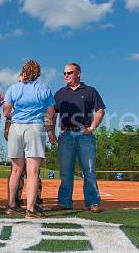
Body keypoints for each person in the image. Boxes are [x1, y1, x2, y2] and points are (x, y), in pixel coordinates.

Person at [3, 60, 56, 219]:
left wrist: (15, 116)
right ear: (38, 73)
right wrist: (47, 127)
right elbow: (51, 111)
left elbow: (6, 112)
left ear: (23, 72)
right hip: (34, 127)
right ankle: (31, 209)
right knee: (32, 171)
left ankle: (11, 205)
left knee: (16, 170)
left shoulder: (13, 88)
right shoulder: (43, 89)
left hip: (16, 127)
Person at [52, 62, 105, 213]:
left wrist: (92, 127)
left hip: (85, 136)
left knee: (88, 170)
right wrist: (51, 133)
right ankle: (64, 202)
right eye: (64, 73)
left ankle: (93, 202)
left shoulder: (90, 91)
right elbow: (53, 114)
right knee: (65, 172)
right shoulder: (60, 93)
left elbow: (100, 111)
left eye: (69, 72)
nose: (66, 75)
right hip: (66, 136)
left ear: (78, 73)